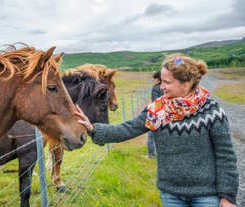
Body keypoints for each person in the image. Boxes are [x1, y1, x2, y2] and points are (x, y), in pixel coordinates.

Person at [76, 54, 239, 207]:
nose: (161, 87)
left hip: (207, 196)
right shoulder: (157, 111)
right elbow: (126, 130)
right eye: (161, 81)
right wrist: (92, 128)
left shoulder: (212, 112)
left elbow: (225, 156)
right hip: (171, 195)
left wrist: (227, 196)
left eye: (167, 82)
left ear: (186, 83)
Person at [147, 71, 164, 158]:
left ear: (157, 79)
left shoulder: (156, 88)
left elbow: (155, 102)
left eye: (154, 79)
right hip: (168, 114)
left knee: (151, 136)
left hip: (157, 114)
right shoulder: (168, 86)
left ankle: (151, 155)